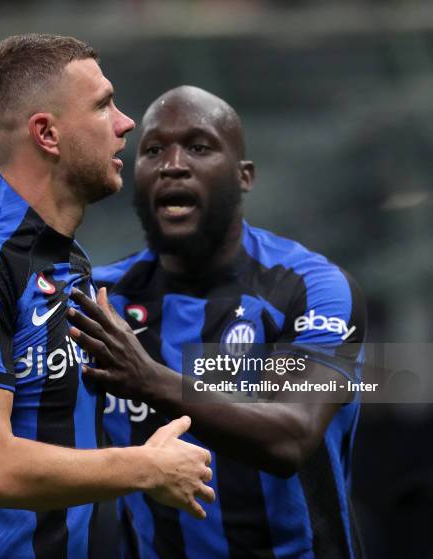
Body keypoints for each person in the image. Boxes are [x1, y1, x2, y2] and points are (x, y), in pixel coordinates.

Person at [0, 34, 214, 559]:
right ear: (47, 133)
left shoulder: (71, 264)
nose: (126, 123)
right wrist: (144, 467)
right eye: (104, 104)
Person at [69, 85, 367, 558]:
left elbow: (291, 436)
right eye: (152, 150)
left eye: (199, 147)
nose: (173, 164)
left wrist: (149, 380)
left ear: (243, 176)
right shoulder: (100, 300)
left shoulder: (310, 290)